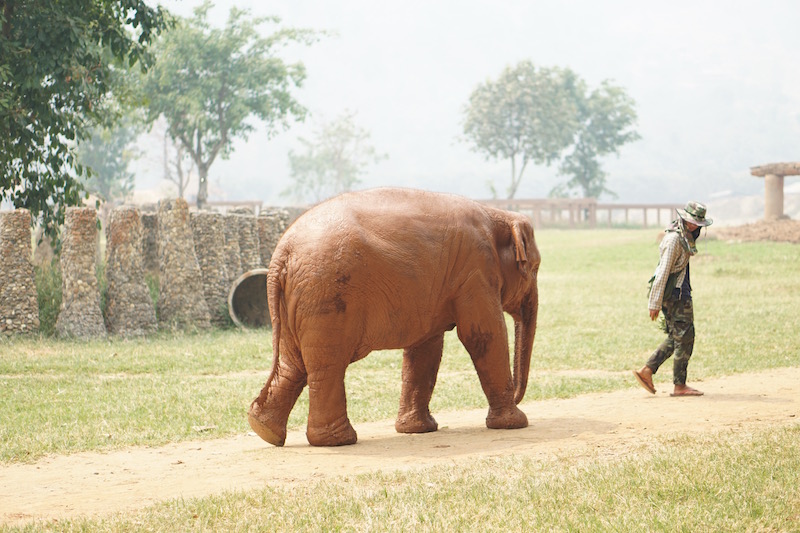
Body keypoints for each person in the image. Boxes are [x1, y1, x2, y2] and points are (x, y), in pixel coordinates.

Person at [633, 201, 713, 397]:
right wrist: (654, 302)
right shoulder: (674, 240)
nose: (694, 226)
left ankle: (647, 371)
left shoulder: (684, 235)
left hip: (679, 292)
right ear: (684, 218)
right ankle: (679, 385)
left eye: (697, 223)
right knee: (685, 337)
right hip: (675, 295)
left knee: (678, 336)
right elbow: (663, 272)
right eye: (692, 221)